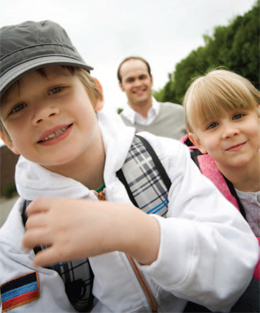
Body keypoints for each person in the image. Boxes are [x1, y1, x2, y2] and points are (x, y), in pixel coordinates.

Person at [0, 21, 258, 313]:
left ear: (96, 94)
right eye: (17, 107)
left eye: (56, 89)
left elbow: (236, 262)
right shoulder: (18, 239)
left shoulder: (166, 157)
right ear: (7, 137)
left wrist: (141, 234)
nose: (43, 113)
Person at [183, 69, 260, 312]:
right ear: (198, 142)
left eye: (238, 115)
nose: (229, 131)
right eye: (213, 125)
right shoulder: (200, 192)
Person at [117, 56, 186, 139]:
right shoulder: (116, 127)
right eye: (130, 80)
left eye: (142, 77)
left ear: (151, 79)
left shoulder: (181, 114)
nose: (138, 84)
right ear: (121, 86)